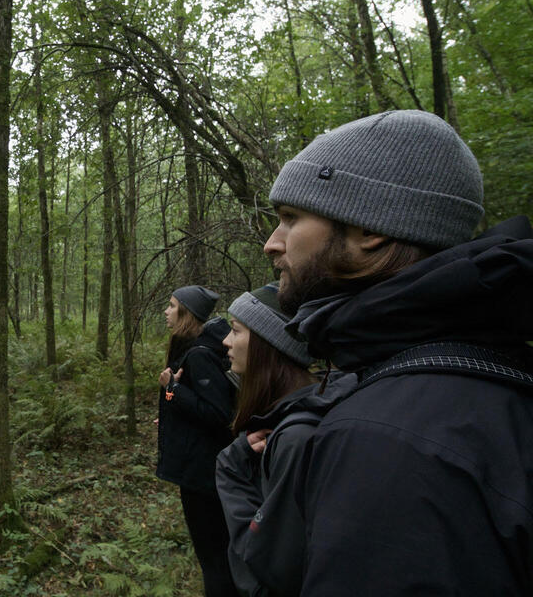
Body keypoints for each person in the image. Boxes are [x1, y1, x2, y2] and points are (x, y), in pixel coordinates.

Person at [263, 108, 533, 595]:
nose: (272, 243)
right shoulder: (492, 365)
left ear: (370, 228)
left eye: (289, 218)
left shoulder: (386, 441)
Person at [215, 285, 356, 597]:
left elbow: (272, 569)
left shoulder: (295, 438)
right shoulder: (310, 407)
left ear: (269, 344)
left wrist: (230, 468)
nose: (226, 341)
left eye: (236, 330)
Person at [156, 285, 238, 596]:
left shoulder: (201, 354)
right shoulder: (198, 346)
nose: (167, 311)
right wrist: (174, 411)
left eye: (173, 305)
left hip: (202, 473)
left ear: (187, 314)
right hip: (201, 466)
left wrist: (173, 390)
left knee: (213, 555)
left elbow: (217, 413)